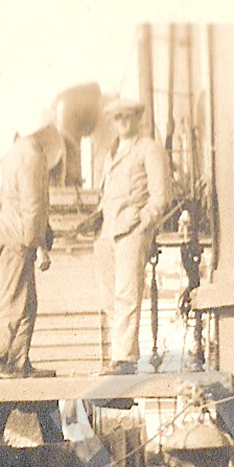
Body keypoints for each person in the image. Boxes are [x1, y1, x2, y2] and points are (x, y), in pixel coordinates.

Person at [95, 96, 169, 375]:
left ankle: (124, 359)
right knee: (109, 297)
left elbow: (161, 195)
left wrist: (143, 223)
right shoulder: (110, 153)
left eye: (128, 116)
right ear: (113, 122)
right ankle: (120, 355)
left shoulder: (148, 149)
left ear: (137, 118)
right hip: (107, 231)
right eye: (118, 118)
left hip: (131, 230)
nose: (123, 122)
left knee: (126, 293)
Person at [0, 104, 57, 379]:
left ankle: (16, 361)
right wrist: (40, 246)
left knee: (26, 303)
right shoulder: (33, 157)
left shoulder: (14, 153)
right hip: (19, 238)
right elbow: (33, 205)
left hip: (12, 235)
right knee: (14, 302)